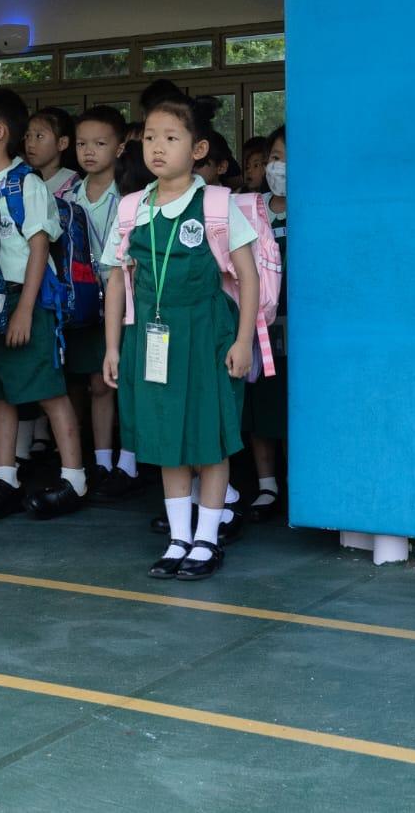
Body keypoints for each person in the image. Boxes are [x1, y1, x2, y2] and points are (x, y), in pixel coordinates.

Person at [101, 96, 261, 579]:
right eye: (150, 137)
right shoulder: (131, 207)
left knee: (210, 438)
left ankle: (207, 539)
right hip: (152, 338)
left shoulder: (215, 203)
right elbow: (116, 280)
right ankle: (178, 538)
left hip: (208, 334)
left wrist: (243, 341)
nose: (157, 147)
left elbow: (248, 276)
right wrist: (113, 346)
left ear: (198, 149)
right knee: (165, 435)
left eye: (171, 138)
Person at [0, 87, 87, 521]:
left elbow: (39, 248)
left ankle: (74, 478)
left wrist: (25, 310)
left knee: (48, 391)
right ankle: (5, 477)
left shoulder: (25, 183)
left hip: (23, 298)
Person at [68, 106, 137, 499]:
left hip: (124, 301)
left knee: (123, 381)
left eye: (99, 143)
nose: (89, 151)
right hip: (84, 304)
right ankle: (102, 461)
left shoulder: (131, 197)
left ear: (120, 147)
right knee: (97, 384)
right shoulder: (68, 196)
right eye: (82, 144)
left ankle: (129, 461)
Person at [244, 125, 290, 521]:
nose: (280, 167)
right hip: (257, 325)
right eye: (275, 158)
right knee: (260, 405)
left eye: (289, 159)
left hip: (300, 327)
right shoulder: (251, 208)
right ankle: (266, 485)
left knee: (292, 404)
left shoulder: (315, 206)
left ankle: (296, 483)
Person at [24, 107, 79, 199]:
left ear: (62, 143)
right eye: (27, 136)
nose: (30, 144)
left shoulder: (75, 188)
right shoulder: (19, 180)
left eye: (39, 136)